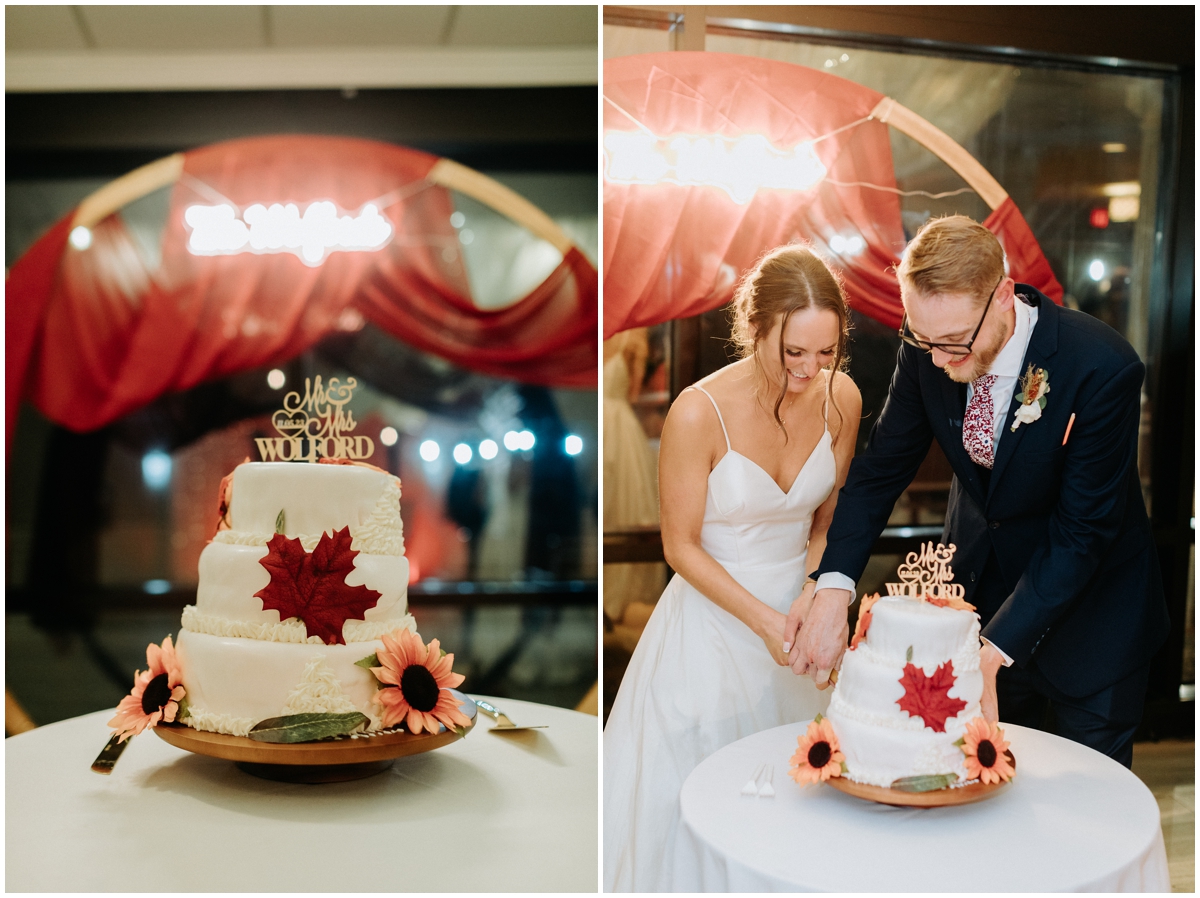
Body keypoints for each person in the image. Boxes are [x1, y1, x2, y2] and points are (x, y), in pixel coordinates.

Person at [788, 215, 1170, 768]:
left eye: (954, 343)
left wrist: (997, 648)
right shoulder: (929, 347)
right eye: (926, 341)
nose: (939, 360)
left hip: (1094, 628)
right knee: (983, 802)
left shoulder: (1101, 367)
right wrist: (833, 585)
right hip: (981, 607)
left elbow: (1082, 532)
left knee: (1085, 816)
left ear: (1004, 298)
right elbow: (881, 471)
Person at [604, 245, 861, 891]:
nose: (809, 370)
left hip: (803, 626)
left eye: (825, 353)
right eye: (792, 352)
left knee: (806, 805)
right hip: (713, 623)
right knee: (706, 805)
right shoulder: (697, 410)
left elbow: (827, 524)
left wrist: (811, 598)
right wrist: (766, 622)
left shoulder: (842, 399)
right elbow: (681, 545)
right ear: (756, 328)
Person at [603, 328, 666, 624]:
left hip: (603, 426)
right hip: (620, 427)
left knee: (608, 509)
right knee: (625, 506)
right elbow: (633, 390)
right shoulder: (633, 336)